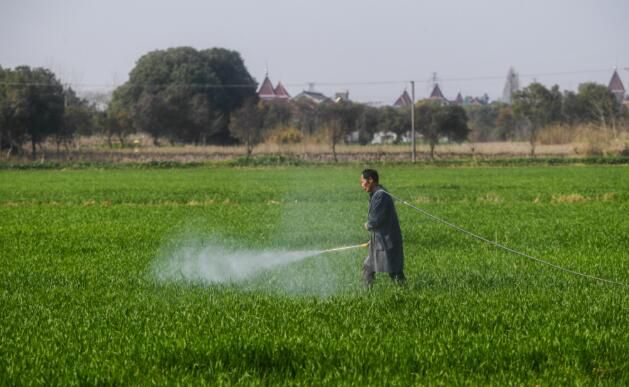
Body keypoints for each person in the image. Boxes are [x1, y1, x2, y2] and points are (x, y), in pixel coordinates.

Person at [360, 169, 405, 286]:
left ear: (370, 180)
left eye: (362, 182)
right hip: (380, 240)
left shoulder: (381, 196)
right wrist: (373, 239)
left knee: (394, 271)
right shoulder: (377, 194)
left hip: (387, 241)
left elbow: (376, 220)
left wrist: (368, 225)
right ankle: (367, 293)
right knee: (368, 267)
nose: (361, 185)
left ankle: (405, 292)